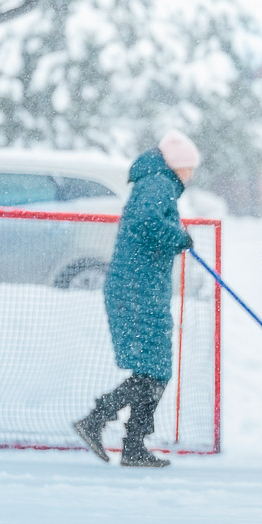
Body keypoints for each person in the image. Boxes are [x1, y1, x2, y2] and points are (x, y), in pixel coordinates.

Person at [73, 129, 200, 468]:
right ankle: (98, 421)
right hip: (136, 290)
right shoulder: (158, 183)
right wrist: (180, 238)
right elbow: (147, 222)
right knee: (154, 370)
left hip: (141, 287)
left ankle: (132, 444)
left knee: (154, 370)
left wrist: (177, 237)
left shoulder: (157, 182)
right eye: (189, 168)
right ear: (178, 166)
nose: (191, 174)